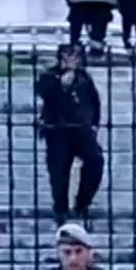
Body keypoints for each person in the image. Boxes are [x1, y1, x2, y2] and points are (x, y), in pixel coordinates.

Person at [36, 44, 104, 225]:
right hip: (57, 129)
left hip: (81, 129)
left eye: (75, 56)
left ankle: (82, 203)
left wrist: (94, 123)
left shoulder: (84, 78)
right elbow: (45, 94)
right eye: (67, 55)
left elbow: (94, 101)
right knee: (59, 171)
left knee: (95, 161)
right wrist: (62, 85)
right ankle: (61, 208)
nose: (71, 59)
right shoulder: (49, 76)